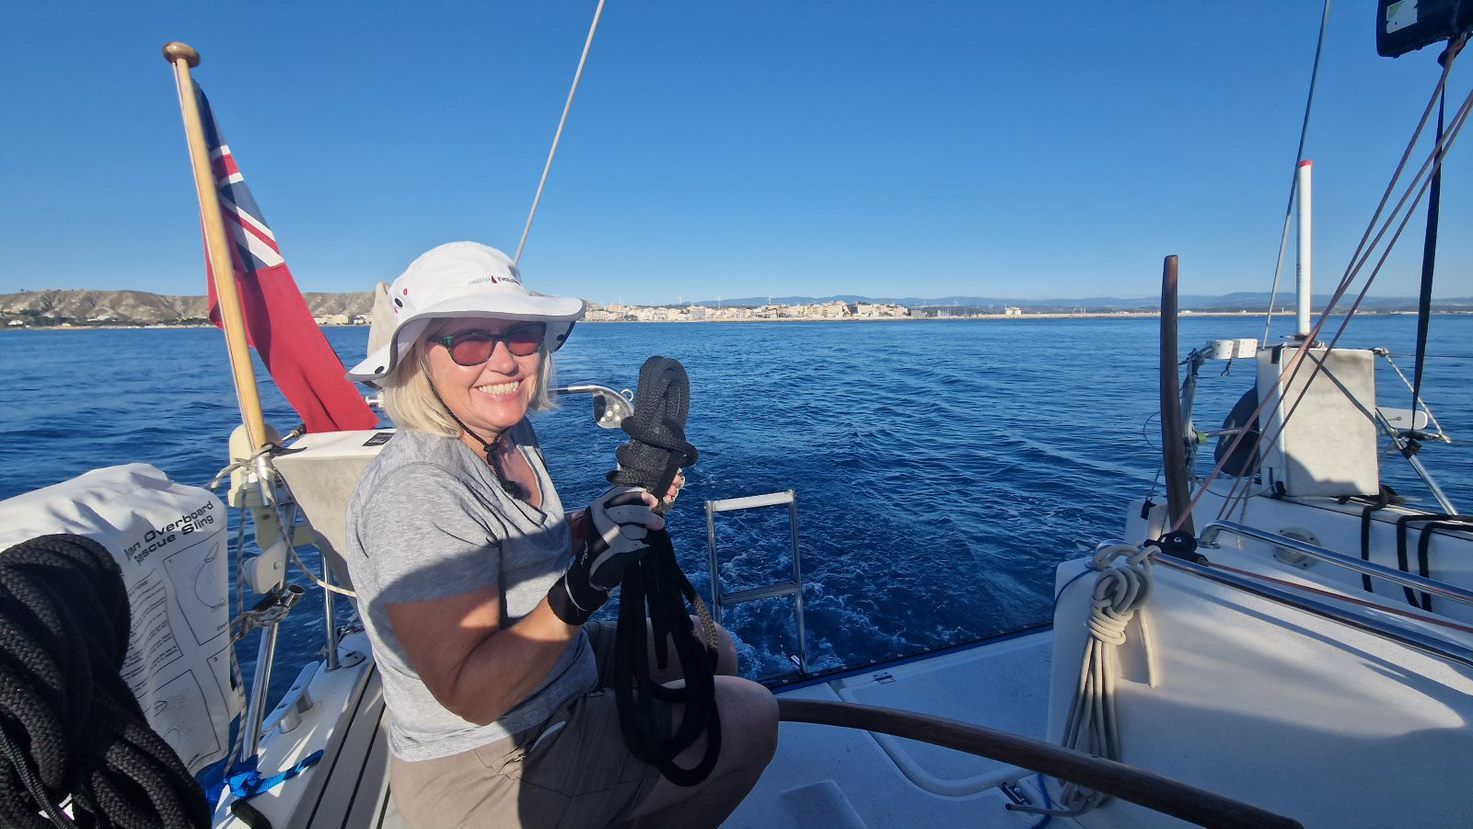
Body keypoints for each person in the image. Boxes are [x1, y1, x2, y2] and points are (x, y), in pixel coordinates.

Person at [343, 242, 778, 828]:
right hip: (488, 757)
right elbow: (472, 694)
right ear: (420, 359)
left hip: (554, 674)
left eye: (521, 336)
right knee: (752, 716)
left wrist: (592, 522)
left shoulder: (508, 434)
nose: (504, 362)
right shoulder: (419, 490)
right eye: (470, 342)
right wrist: (584, 588)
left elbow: (512, 549)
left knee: (711, 647)